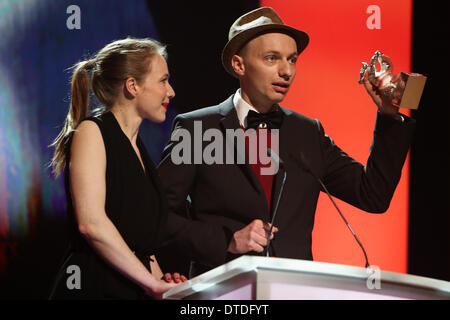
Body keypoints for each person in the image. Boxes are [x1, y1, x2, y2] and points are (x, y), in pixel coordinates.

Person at [157, 7, 416, 278]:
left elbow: (372, 195)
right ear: (239, 65)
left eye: (292, 60)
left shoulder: (307, 132)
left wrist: (389, 116)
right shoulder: (197, 128)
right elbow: (159, 217)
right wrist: (227, 241)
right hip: (222, 291)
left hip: (294, 289)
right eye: (272, 58)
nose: (286, 71)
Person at [49, 38, 188, 299]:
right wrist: (151, 282)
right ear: (132, 85)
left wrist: (165, 284)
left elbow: (141, 246)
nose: (171, 91)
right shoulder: (92, 131)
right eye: (163, 80)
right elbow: (91, 224)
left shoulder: (138, 148)